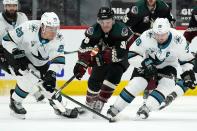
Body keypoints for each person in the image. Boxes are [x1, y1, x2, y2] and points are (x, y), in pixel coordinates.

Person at [107, 18, 196, 120]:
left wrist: (188, 74)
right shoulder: (146, 35)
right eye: (157, 35)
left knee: (168, 84)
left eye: (163, 34)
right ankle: (115, 108)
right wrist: (145, 63)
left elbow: (187, 61)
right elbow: (132, 55)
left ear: (168, 31)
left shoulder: (179, 39)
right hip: (146, 64)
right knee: (138, 83)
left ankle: (147, 108)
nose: (160, 37)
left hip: (169, 66)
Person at [1, 12, 78, 119]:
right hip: (16, 55)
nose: (53, 32)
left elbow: (58, 58)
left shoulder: (59, 38)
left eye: (55, 28)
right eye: (50, 28)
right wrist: (16, 52)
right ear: (42, 26)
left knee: (48, 86)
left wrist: (51, 73)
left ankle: (59, 107)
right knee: (29, 77)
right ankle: (15, 102)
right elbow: (6, 40)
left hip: (39, 62)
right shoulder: (28, 27)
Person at [73, 7, 133, 114]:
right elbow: (84, 48)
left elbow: (121, 53)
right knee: (94, 79)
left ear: (113, 20)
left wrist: (102, 56)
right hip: (103, 53)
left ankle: (100, 101)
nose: (105, 25)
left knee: (114, 73)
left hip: (124, 56)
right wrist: (82, 63)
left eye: (108, 22)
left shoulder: (122, 30)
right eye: (102, 22)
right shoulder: (93, 30)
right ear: (98, 21)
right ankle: (89, 104)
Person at [0, 0, 45, 102]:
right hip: (3, 52)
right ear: (4, 6)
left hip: (20, 52)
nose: (12, 8)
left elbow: (28, 35)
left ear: (17, 6)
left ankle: (20, 93)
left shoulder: (22, 17)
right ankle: (34, 93)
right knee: (17, 71)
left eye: (14, 6)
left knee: (31, 71)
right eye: (9, 6)